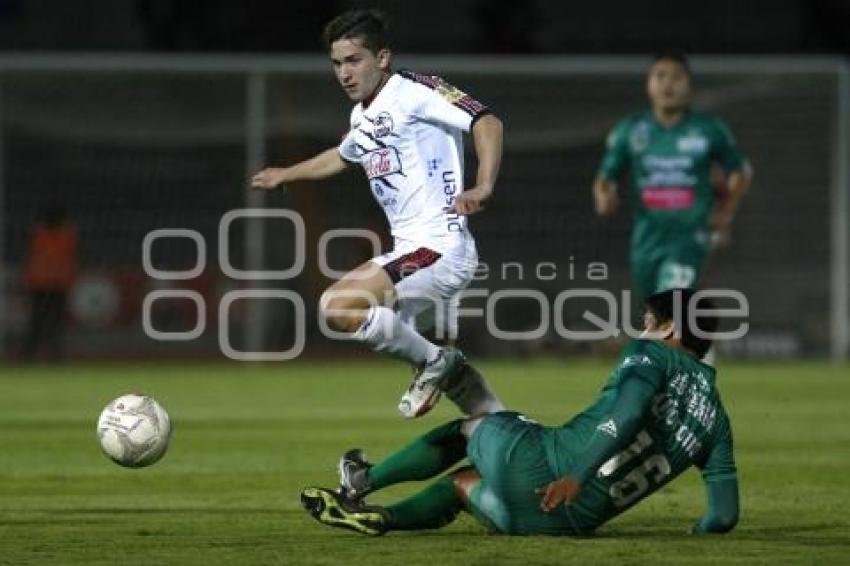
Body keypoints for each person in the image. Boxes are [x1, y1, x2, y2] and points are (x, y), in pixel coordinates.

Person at [301, 288, 739, 537]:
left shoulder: (653, 355)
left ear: (670, 329)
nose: (642, 329)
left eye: (649, 321)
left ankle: (361, 482)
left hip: (550, 469)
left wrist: (576, 476)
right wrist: (698, 534)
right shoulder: (716, 420)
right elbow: (723, 515)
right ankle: (384, 518)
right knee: (462, 485)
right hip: (565, 523)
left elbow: (624, 417)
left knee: (472, 428)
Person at [251, 9, 503, 419]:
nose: (344, 73)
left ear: (382, 58)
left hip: (439, 248)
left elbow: (486, 121)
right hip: (413, 255)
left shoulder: (416, 89)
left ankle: (435, 362)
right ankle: (507, 432)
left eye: (354, 60)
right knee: (467, 395)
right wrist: (287, 174)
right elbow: (341, 155)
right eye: (336, 64)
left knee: (337, 306)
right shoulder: (361, 116)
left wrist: (484, 184)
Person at [593, 53, 753, 306]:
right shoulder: (631, 130)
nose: (668, 84)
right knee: (656, 307)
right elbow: (605, 176)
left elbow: (740, 171)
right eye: (660, 76)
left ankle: (682, 338)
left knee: (669, 304)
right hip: (646, 237)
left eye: (676, 77)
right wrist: (603, 194)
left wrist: (726, 212)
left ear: (689, 85)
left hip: (691, 235)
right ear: (648, 84)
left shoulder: (708, 129)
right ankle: (700, 342)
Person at [20, 204, 78, 361]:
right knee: (43, 323)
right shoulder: (63, 234)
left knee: (47, 323)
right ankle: (36, 355)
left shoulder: (42, 234)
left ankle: (43, 355)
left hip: (49, 285)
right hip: (46, 285)